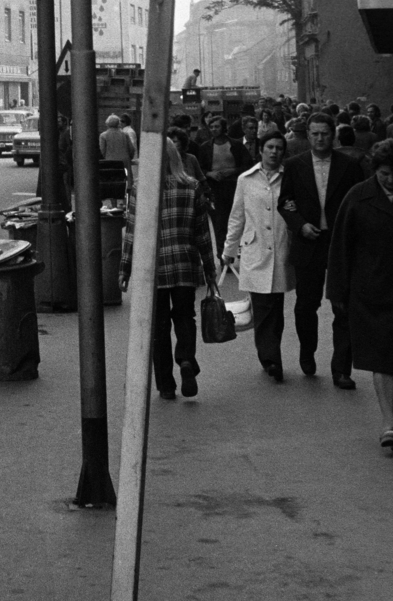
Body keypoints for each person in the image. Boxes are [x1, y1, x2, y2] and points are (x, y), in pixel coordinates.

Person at [327, 139, 393, 455]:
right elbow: (340, 246)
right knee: (382, 353)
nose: (391, 180)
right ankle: (388, 423)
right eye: (385, 173)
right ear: (376, 170)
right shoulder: (358, 198)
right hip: (371, 290)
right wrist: (337, 291)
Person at [119, 138, 216, 400]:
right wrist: (210, 270)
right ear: (175, 157)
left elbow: (132, 233)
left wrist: (125, 269)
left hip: (152, 268)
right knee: (185, 316)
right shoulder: (191, 187)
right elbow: (202, 233)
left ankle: (165, 386)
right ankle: (185, 358)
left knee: (158, 326)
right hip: (184, 263)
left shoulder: (140, 190)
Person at [278, 112, 363, 386]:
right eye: (314, 133)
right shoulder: (294, 165)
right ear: (308, 134)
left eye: (324, 133)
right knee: (306, 305)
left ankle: (342, 368)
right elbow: (286, 201)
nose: (319, 139)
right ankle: (307, 350)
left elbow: (358, 204)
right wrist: (299, 224)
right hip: (309, 241)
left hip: (340, 244)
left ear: (333, 135)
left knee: (343, 306)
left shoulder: (350, 166)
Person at [222, 130, 292, 381]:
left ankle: (271, 353)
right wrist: (229, 250)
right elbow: (237, 216)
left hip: (282, 248)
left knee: (276, 306)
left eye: (279, 148)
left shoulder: (290, 177)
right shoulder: (246, 179)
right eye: (270, 147)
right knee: (262, 307)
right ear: (260, 150)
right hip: (255, 249)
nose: (274, 152)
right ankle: (271, 358)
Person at [195, 116, 249, 245]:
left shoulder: (236, 145)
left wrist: (232, 171)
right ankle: (221, 255)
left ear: (224, 128)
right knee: (219, 222)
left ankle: (237, 248)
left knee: (236, 219)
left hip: (234, 186)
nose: (214, 129)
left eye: (217, 126)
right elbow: (199, 168)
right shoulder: (205, 147)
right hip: (215, 188)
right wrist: (210, 173)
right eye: (211, 127)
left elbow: (247, 165)